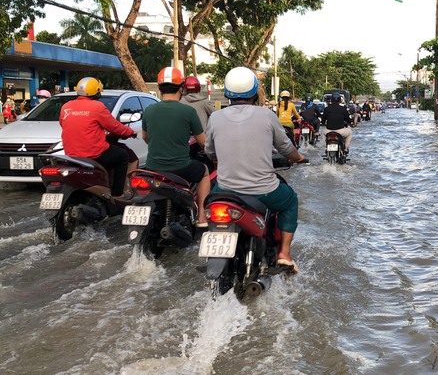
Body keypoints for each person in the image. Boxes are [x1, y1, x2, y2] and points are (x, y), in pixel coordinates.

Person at [205, 66, 306, 272]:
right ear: (254, 92)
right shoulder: (266, 115)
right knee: (290, 201)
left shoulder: (215, 117)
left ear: (227, 93)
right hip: (264, 190)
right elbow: (286, 148)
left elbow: (209, 151)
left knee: (210, 206)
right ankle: (285, 254)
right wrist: (298, 158)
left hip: (225, 189)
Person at [142, 67, 210, 226]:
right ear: (181, 88)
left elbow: (146, 137)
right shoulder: (188, 111)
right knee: (204, 172)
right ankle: (201, 216)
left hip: (152, 168)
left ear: (159, 89)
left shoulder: (149, 110)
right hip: (180, 167)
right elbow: (202, 142)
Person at [58, 77, 136, 198]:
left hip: (71, 155)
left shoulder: (66, 106)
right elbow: (114, 127)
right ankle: (117, 194)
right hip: (94, 154)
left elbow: (63, 124)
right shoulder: (97, 107)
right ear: (97, 92)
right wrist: (131, 132)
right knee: (123, 156)